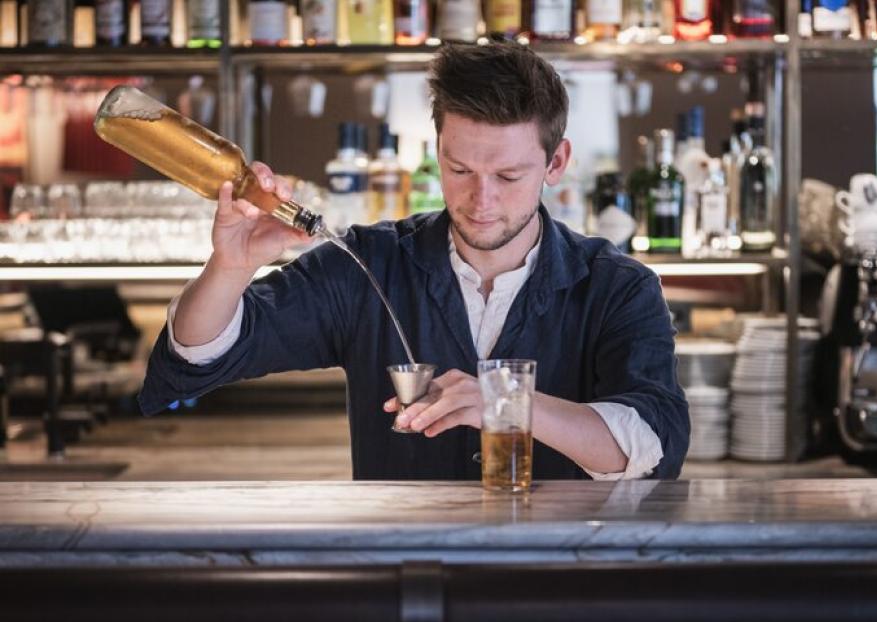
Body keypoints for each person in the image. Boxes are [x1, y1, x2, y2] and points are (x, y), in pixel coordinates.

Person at [139, 41, 690, 480]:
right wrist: (231, 266)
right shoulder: (367, 262)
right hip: (401, 568)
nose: (482, 200)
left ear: (556, 162)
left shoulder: (618, 286)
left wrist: (505, 403)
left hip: (555, 572)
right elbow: (199, 354)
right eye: (460, 170)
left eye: (508, 176)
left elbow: (651, 442)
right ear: (436, 152)